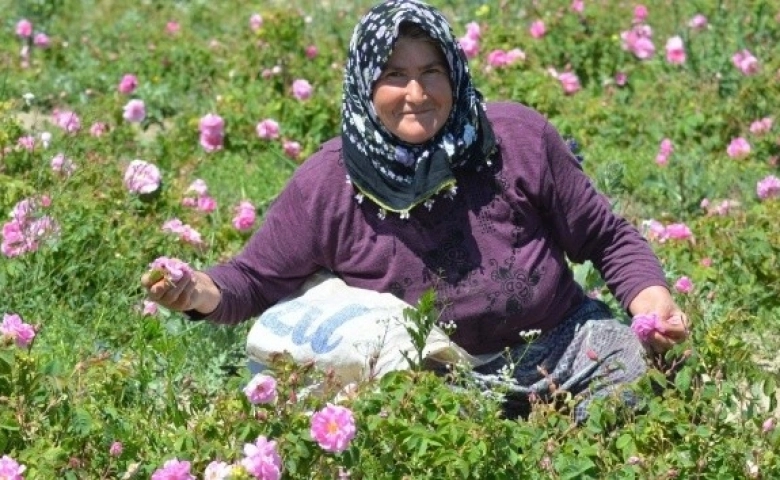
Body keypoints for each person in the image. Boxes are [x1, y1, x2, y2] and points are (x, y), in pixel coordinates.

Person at [142, 0, 689, 421]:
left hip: (564, 347)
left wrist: (654, 307)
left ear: (454, 72)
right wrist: (193, 291)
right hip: (435, 384)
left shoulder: (516, 139)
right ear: (364, 85)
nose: (416, 93)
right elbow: (253, 281)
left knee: (645, 383)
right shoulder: (329, 183)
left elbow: (605, 239)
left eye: (432, 71)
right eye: (393, 76)